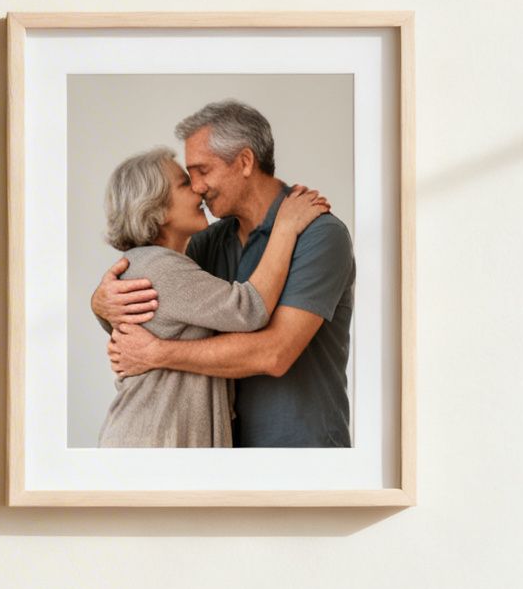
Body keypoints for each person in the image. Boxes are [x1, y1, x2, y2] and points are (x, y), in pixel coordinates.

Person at [92, 100, 356, 447]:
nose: (198, 187)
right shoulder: (206, 243)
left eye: (202, 171)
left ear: (245, 162)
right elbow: (158, 296)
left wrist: (157, 352)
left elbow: (274, 354)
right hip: (222, 453)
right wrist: (101, 303)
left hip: (299, 447)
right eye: (188, 179)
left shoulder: (319, 235)